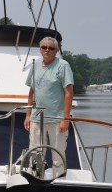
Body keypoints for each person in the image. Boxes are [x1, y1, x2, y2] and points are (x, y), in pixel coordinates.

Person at [24, 36, 74, 177]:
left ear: (56, 51)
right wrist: (28, 115)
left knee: (58, 155)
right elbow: (31, 92)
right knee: (35, 153)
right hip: (36, 119)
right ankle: (35, 180)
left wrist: (65, 119)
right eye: (44, 47)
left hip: (56, 119)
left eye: (51, 48)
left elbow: (69, 93)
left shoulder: (63, 66)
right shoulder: (34, 65)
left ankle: (59, 181)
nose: (47, 50)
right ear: (40, 50)